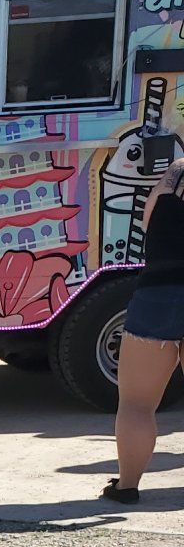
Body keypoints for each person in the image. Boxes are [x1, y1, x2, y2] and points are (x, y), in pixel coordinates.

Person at [103, 152, 184, 503]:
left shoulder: (177, 171)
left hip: (160, 290)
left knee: (137, 404)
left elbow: (148, 221)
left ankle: (127, 486)